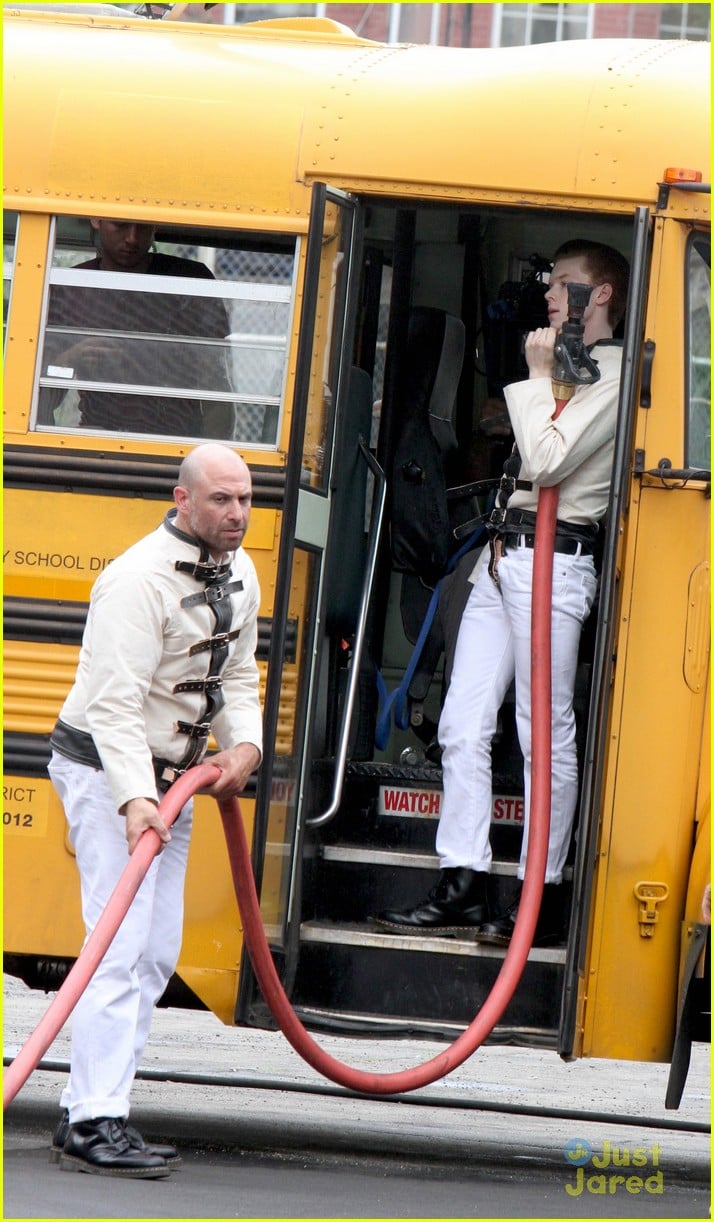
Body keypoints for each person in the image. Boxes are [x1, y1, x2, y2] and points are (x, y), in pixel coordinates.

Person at [375, 240, 630, 947]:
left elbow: (547, 462)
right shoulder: (574, 367)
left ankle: (535, 893)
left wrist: (534, 376)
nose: (550, 294)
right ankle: (462, 874)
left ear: (601, 295)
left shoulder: (613, 373)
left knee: (541, 730)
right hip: (501, 552)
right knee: (461, 722)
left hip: (557, 558)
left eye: (567, 285)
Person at [47, 442, 263, 1178]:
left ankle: (94, 1107)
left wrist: (246, 749)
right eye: (220, 500)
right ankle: (95, 1121)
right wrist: (136, 801)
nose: (236, 514)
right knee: (118, 945)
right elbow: (113, 707)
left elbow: (238, 675)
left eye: (244, 499)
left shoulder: (242, 572)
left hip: (177, 784)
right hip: (112, 778)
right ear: (182, 499)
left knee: (156, 952)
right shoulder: (136, 579)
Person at [39, 218, 235, 437]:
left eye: (143, 226)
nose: (132, 238)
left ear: (156, 225)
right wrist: (71, 360)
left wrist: (209, 454)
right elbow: (41, 393)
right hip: (97, 439)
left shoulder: (192, 282)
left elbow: (216, 390)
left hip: (176, 443)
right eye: (120, 225)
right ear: (96, 220)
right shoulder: (70, 288)